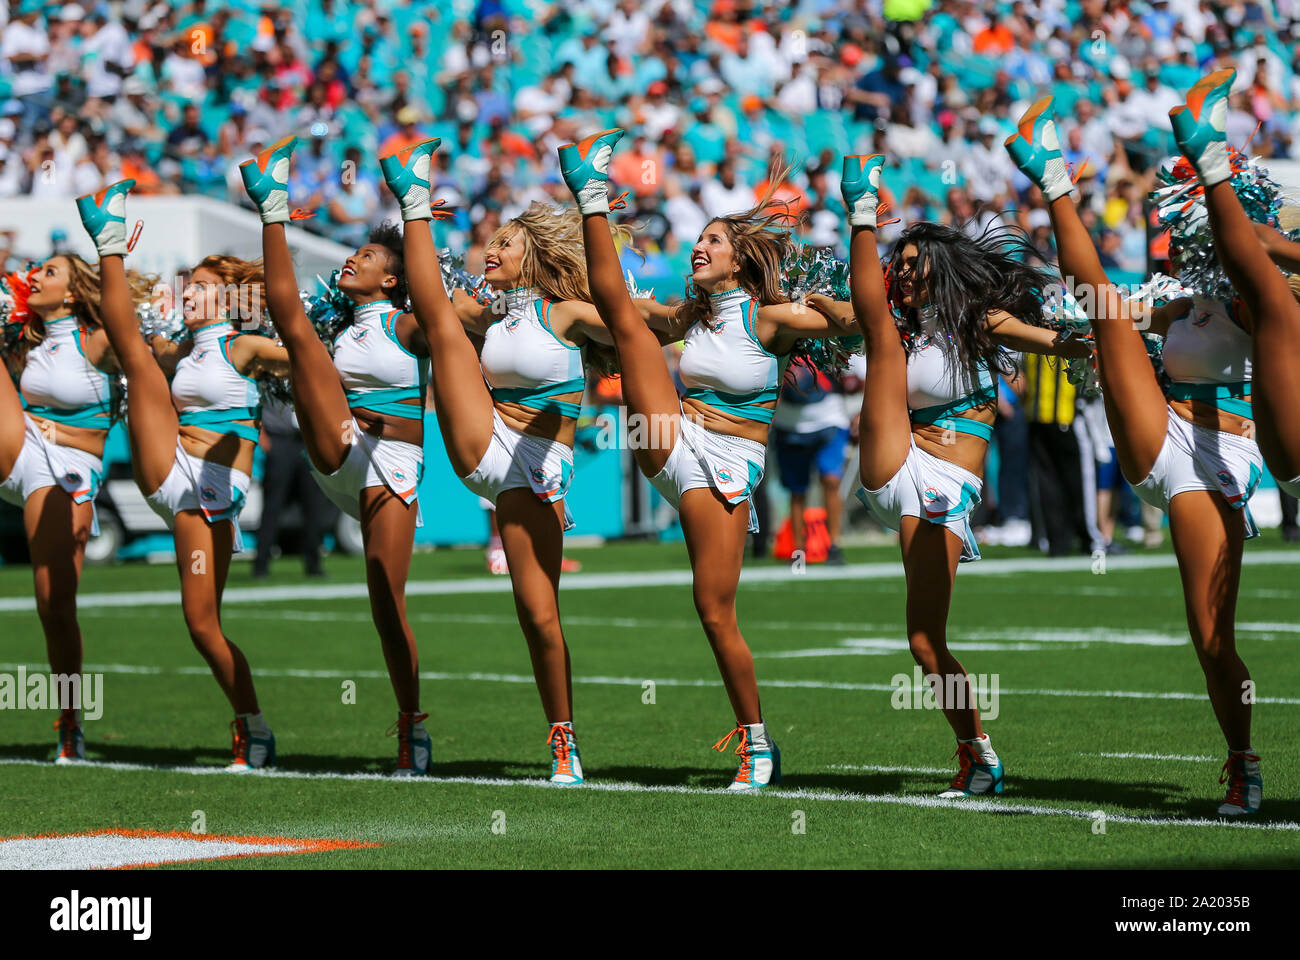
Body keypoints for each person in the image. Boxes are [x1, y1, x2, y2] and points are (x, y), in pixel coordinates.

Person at [560, 128, 857, 789]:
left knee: (713, 609)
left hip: (727, 463)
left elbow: (855, 323)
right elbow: (623, 320)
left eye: (714, 241)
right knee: (629, 321)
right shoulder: (690, 317)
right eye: (701, 239)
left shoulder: (771, 318)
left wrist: (824, 299)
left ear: (741, 262)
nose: (701, 246)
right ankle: (592, 194)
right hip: (672, 437)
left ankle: (756, 742)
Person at [1007, 79, 1265, 815]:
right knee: (1107, 312)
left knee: (1213, 641)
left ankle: (1242, 759)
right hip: (1161, 428)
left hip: (1220, 456)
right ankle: (1051, 175)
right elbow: (1099, 307)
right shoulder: (1178, 298)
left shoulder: (1261, 293)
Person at [842, 153, 1089, 798]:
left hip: (946, 484)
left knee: (924, 641)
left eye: (916, 266)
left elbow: (1060, 343)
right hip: (897, 463)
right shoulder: (900, 332)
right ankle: (859, 209)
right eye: (898, 267)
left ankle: (977, 750)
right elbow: (856, 315)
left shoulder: (977, 324)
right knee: (877, 331)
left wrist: (1110, 334)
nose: (906, 276)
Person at [379, 137, 619, 783]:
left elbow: (634, 318)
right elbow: (426, 303)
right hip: (485, 442)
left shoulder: (565, 312)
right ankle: (415, 198)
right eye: (488, 241)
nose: (490, 249)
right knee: (443, 319)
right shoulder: (480, 311)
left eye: (505, 243)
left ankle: (562, 736)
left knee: (539, 615)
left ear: (533, 256)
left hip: (538, 464)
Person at [74, 180, 291, 770]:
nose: (188, 295)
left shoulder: (242, 347)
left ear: (230, 301)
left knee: (201, 624)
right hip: (173, 474)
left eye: (200, 289)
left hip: (213, 489)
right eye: (187, 286)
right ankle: (109, 242)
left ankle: (251, 721)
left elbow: (304, 353)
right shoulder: (176, 352)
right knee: (137, 355)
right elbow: (119, 334)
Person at [240, 136, 434, 776]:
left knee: (386, 598)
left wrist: (415, 211)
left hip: (394, 467)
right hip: (339, 450)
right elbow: (286, 320)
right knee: (296, 334)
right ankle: (272, 206)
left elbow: (439, 313)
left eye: (368, 255)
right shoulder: (335, 332)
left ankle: (412, 723)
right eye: (353, 252)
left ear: (394, 278)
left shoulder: (407, 327)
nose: (352, 260)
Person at [0, 250, 138, 762]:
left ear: (75, 292)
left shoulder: (97, 342)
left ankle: (69, 718)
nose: (35, 276)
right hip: (17, 448)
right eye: (36, 269)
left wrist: (114, 250)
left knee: (54, 604)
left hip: (69, 468)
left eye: (49, 272)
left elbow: (126, 326)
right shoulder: (24, 340)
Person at [771, 362, 850, 564]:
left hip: (828, 418)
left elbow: (855, 375)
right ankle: (799, 551)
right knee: (797, 490)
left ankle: (834, 545)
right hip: (788, 422)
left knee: (831, 480)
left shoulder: (825, 336)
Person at [252, 397, 327, 578]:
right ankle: (261, 564)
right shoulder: (269, 369)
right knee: (273, 506)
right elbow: (253, 399)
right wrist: (262, 436)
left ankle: (313, 563)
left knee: (313, 505)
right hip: (279, 439)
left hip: (306, 440)